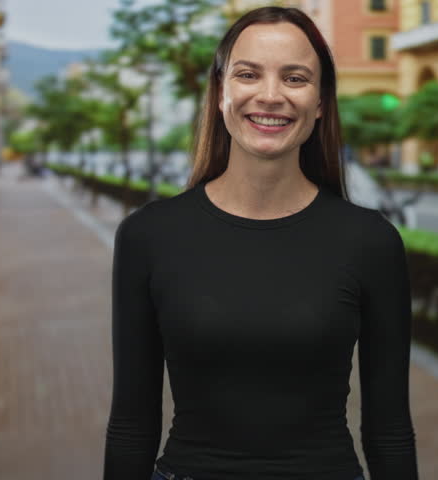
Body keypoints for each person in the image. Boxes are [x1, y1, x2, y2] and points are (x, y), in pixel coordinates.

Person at [104, 7, 419, 479]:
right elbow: (131, 426)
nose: (270, 96)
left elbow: (389, 430)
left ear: (320, 102)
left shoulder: (371, 242)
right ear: (220, 93)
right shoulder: (147, 236)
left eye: (295, 78)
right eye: (248, 74)